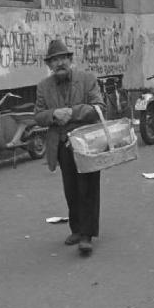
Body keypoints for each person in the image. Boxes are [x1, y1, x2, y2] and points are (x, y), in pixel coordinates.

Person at [34, 39, 106, 255]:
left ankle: (87, 235)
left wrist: (72, 112)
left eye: (62, 58)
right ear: (49, 65)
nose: (59, 64)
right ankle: (76, 229)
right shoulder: (43, 87)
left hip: (87, 143)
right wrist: (53, 115)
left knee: (88, 188)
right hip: (62, 145)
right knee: (71, 189)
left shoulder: (87, 79)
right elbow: (38, 116)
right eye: (54, 61)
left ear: (70, 60)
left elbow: (98, 108)